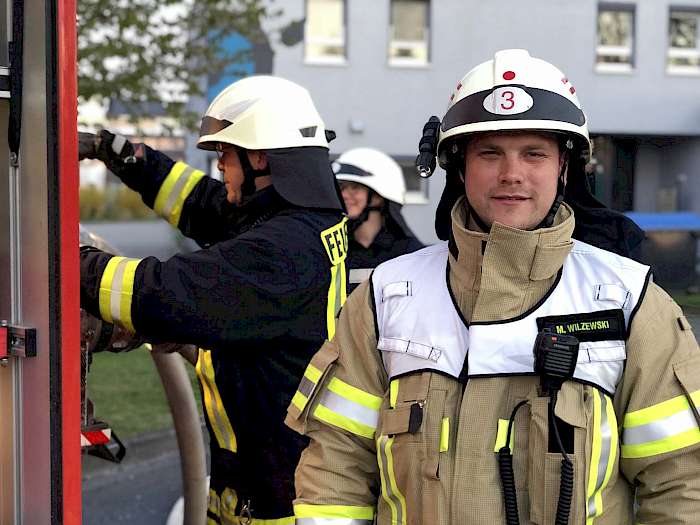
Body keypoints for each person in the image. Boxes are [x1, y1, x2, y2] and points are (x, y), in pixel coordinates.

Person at [285, 49, 700, 524]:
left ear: (564, 167)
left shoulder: (629, 303)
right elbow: (336, 467)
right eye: (490, 153)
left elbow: (681, 485)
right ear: (459, 167)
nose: (511, 174)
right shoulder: (386, 297)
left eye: (534, 153)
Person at [79, 75, 348, 524]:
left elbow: (161, 294)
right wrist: (114, 151)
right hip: (250, 486)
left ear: (260, 156)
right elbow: (199, 202)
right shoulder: (297, 216)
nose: (220, 167)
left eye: (225, 154)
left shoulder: (282, 247)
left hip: (277, 505)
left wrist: (68, 259)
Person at [333, 148, 424, 291]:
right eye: (341, 187)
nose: (344, 194)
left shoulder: (410, 255)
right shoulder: (334, 252)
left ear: (377, 197)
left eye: (355, 187)